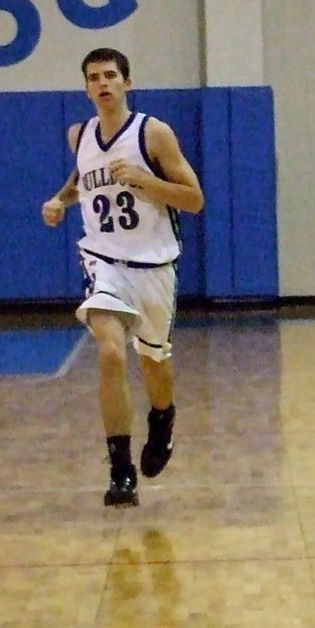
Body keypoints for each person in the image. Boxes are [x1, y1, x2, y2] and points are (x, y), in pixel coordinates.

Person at [41, 48, 204, 508]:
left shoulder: (153, 133)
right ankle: (120, 469)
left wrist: (142, 180)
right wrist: (59, 201)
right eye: (94, 77)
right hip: (103, 261)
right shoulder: (80, 134)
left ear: (127, 83)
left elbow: (193, 199)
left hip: (153, 267)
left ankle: (163, 417)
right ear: (86, 87)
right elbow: (82, 180)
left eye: (111, 75)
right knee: (110, 351)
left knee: (153, 362)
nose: (103, 83)